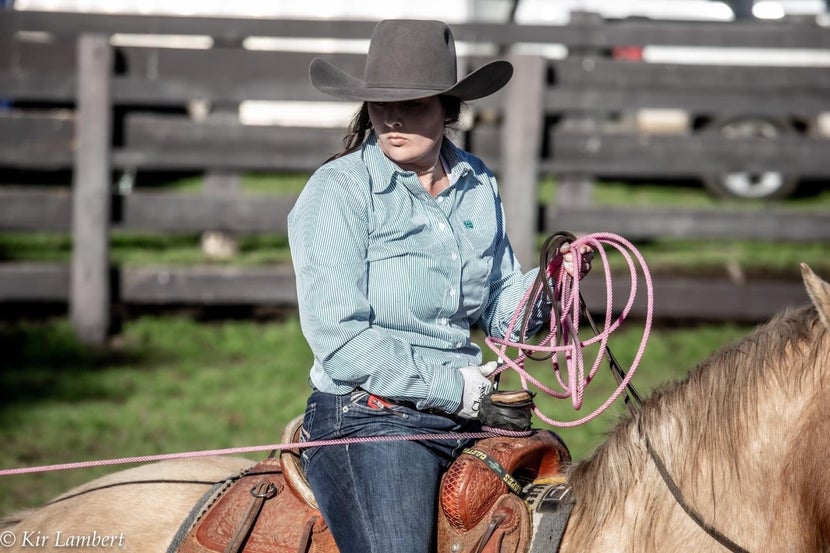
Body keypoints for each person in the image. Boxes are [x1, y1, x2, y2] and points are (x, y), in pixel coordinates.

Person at [287, 18, 591, 553]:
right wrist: (460, 391)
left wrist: (549, 285)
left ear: (448, 110)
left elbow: (500, 310)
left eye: (415, 103)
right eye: (382, 104)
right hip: (369, 416)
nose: (394, 118)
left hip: (469, 408)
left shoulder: (477, 182)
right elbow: (340, 342)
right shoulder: (338, 192)